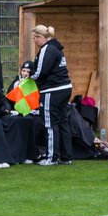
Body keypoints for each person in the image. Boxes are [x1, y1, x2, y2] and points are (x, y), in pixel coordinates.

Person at [29, 24, 73, 165]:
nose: (34, 41)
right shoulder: (57, 48)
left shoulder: (47, 50)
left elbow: (40, 71)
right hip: (65, 88)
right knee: (62, 122)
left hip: (52, 90)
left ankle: (51, 157)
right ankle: (66, 157)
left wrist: (28, 78)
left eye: (35, 38)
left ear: (41, 37)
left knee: (50, 123)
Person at [0, 57, 37, 164]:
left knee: (26, 119)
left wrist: (6, 107)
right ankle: (10, 156)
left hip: (2, 111)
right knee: (10, 122)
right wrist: (2, 110)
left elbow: (3, 98)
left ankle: (24, 155)